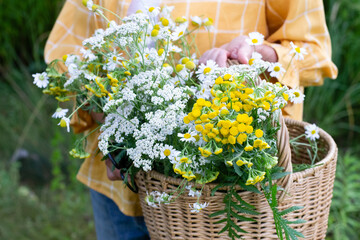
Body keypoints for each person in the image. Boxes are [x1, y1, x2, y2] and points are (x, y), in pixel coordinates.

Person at [44, 0, 337, 239]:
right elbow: (65, 55)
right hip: (122, 181)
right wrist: (111, 121)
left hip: (227, 195)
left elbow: (314, 49)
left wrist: (260, 54)